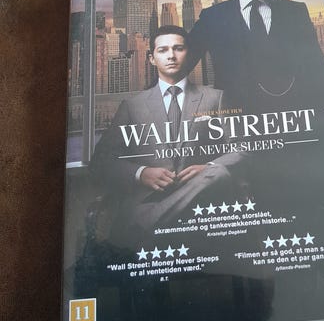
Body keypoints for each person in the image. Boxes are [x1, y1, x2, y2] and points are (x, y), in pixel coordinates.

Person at [189, 0, 324, 231]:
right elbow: (186, 58)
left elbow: (315, 61)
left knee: (305, 188)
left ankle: (319, 236)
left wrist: (323, 105)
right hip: (241, 120)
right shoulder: (212, 16)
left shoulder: (295, 11)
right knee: (254, 192)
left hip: (293, 115)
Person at [89, 25, 245, 248]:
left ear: (189, 54)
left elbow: (242, 148)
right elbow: (102, 161)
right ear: (152, 59)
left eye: (178, 48)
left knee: (217, 173)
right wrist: (141, 173)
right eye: (163, 50)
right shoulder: (132, 106)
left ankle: (143, 226)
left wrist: (207, 168)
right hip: (148, 201)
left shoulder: (216, 98)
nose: (171, 55)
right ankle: (151, 221)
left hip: (199, 208)